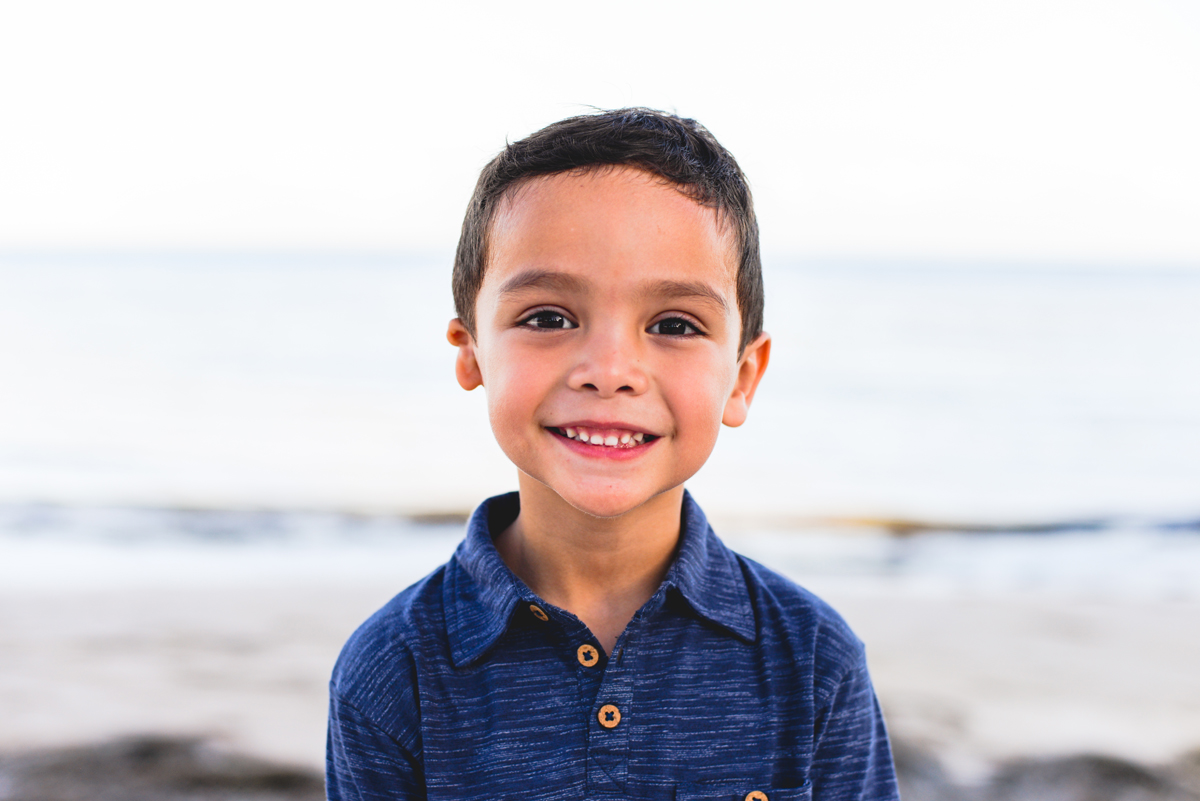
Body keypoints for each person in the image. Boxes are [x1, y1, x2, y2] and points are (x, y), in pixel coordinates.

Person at [326, 108, 900, 801]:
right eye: (548, 318)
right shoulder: (393, 670)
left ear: (743, 376)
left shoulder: (812, 660)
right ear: (472, 348)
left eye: (673, 325)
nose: (610, 369)